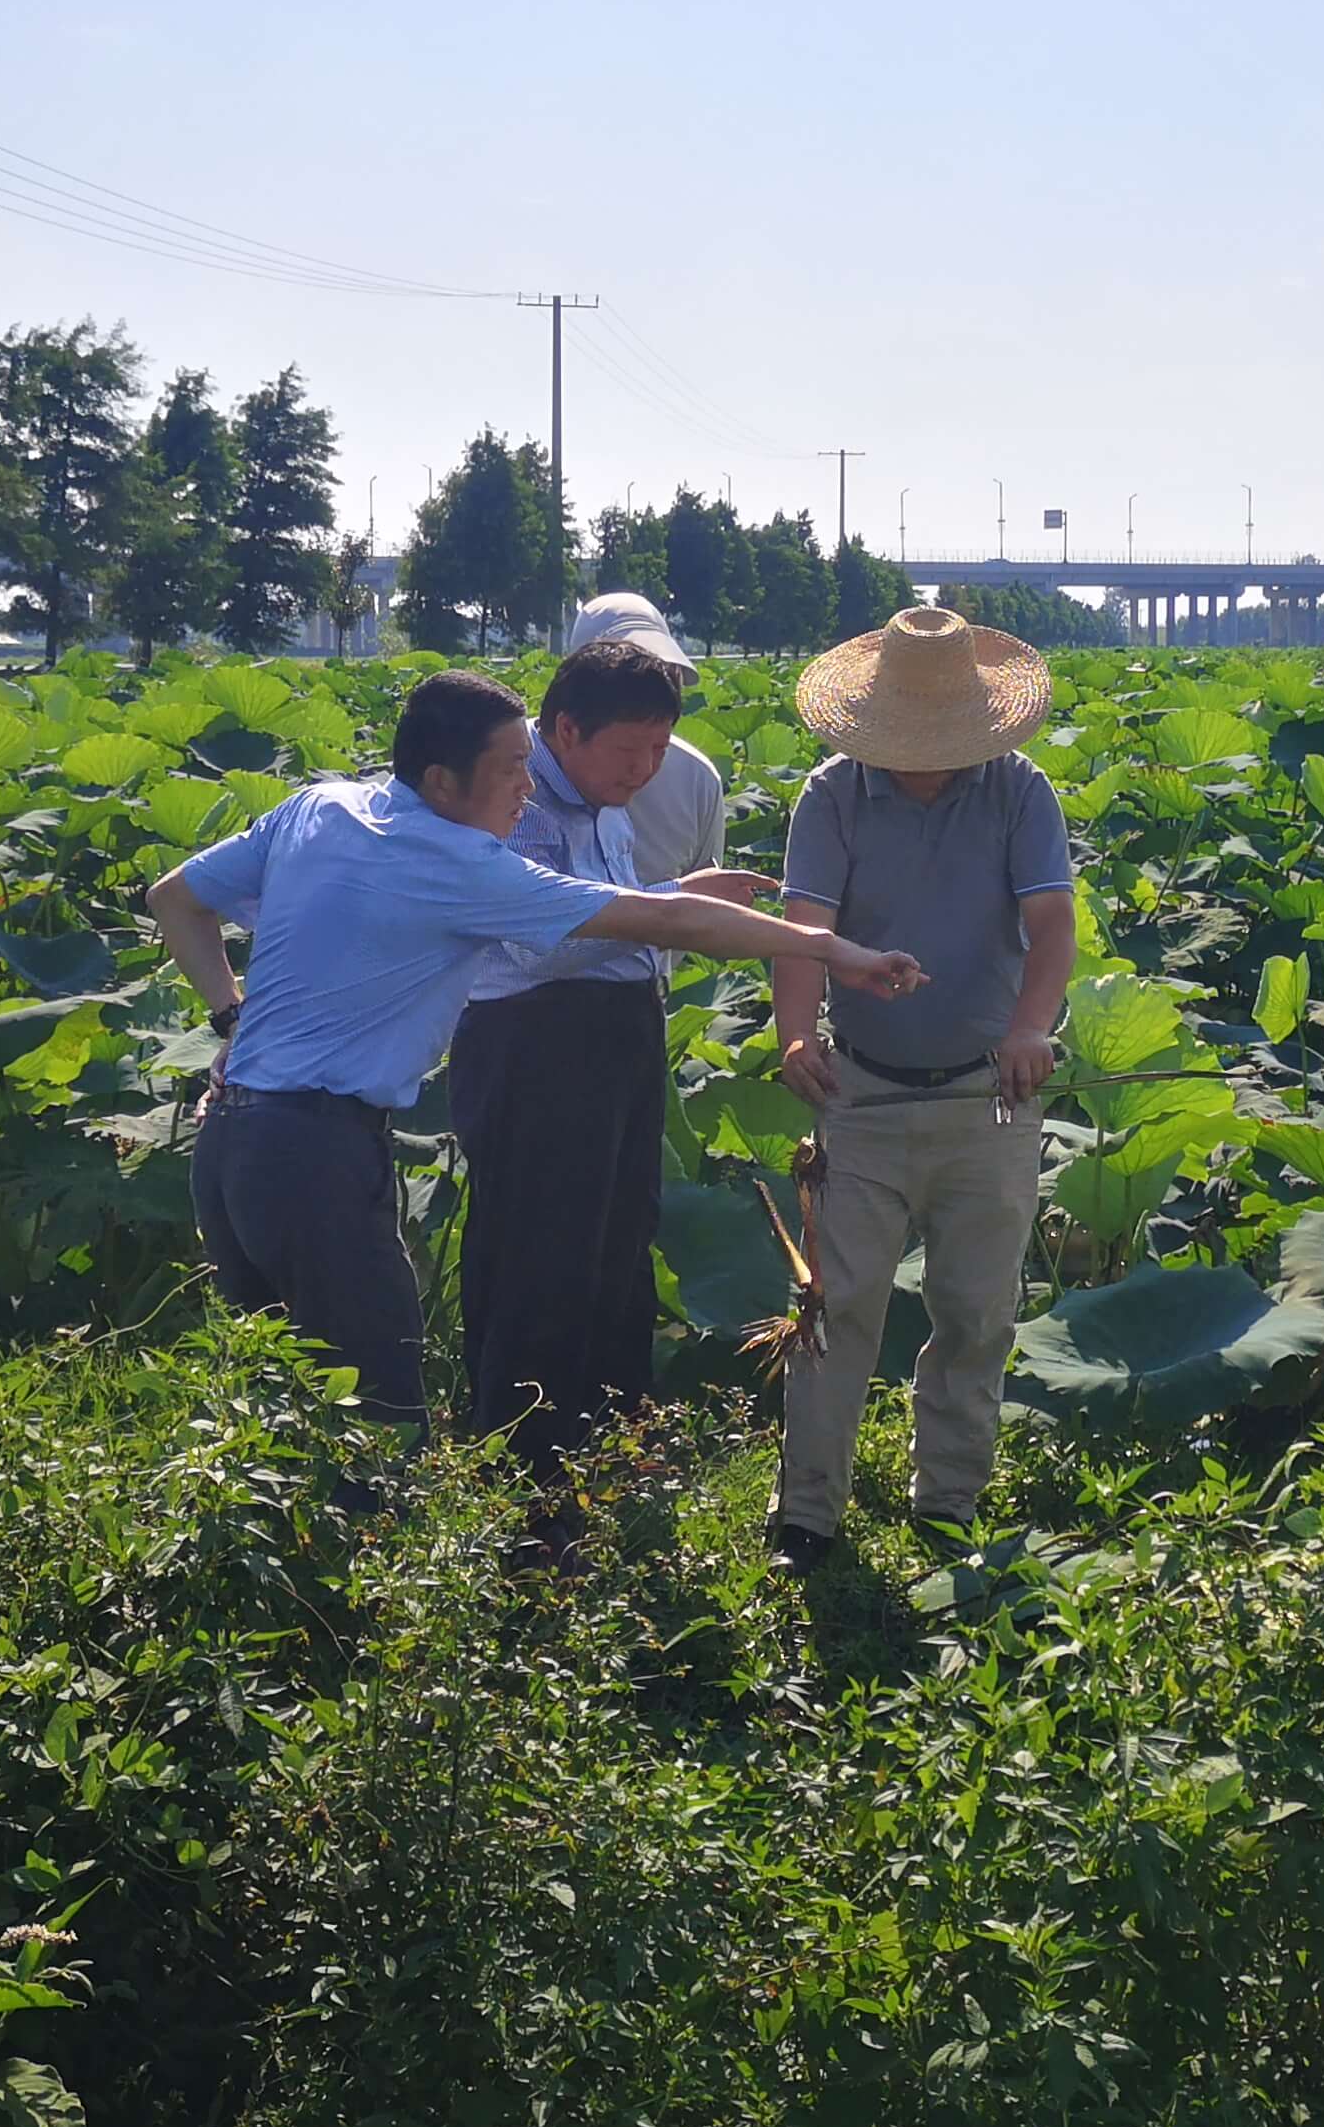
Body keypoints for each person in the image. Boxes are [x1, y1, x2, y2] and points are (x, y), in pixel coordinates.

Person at [146, 667, 924, 1451]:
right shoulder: (457, 864)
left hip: (232, 1140)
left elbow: (175, 897)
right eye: (512, 768)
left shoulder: (320, 805)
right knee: (379, 1430)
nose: (528, 787)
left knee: (273, 1414)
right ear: (443, 780)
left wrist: (230, 1016)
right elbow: (674, 922)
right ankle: (439, 1556)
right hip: (315, 1157)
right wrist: (830, 948)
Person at [764, 605, 1078, 1567]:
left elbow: (1053, 919)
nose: (926, 758)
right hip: (862, 1091)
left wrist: (1032, 1027)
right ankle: (807, 1514)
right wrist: (792, 1031)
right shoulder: (834, 795)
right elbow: (805, 926)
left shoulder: (1019, 793)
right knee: (835, 1306)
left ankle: (947, 1502)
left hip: (988, 1092)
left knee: (976, 1310)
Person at [451, 637, 754, 1500]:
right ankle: (528, 1469)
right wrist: (669, 906)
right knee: (539, 1257)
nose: (647, 769)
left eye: (660, 749)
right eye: (631, 750)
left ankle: (615, 1442)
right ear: (565, 729)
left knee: (622, 1240)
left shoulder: (606, 804)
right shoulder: (517, 806)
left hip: (617, 1040)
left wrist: (676, 894)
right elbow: (532, 944)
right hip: (534, 1045)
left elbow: (619, 923)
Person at [563, 589, 727, 886]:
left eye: (666, 675)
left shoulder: (697, 780)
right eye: (630, 679)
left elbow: (707, 904)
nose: (654, 690)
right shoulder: (515, 770)